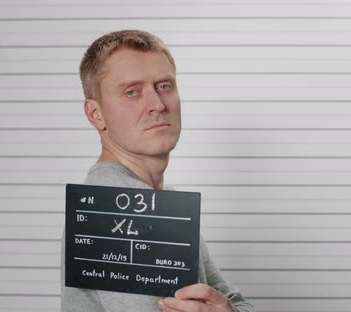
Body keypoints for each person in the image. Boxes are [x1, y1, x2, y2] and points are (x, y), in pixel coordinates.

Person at [60, 30, 255, 312]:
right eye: (132, 92)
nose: (157, 105)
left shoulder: (166, 203)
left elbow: (235, 302)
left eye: (164, 86)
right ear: (96, 114)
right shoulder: (114, 207)